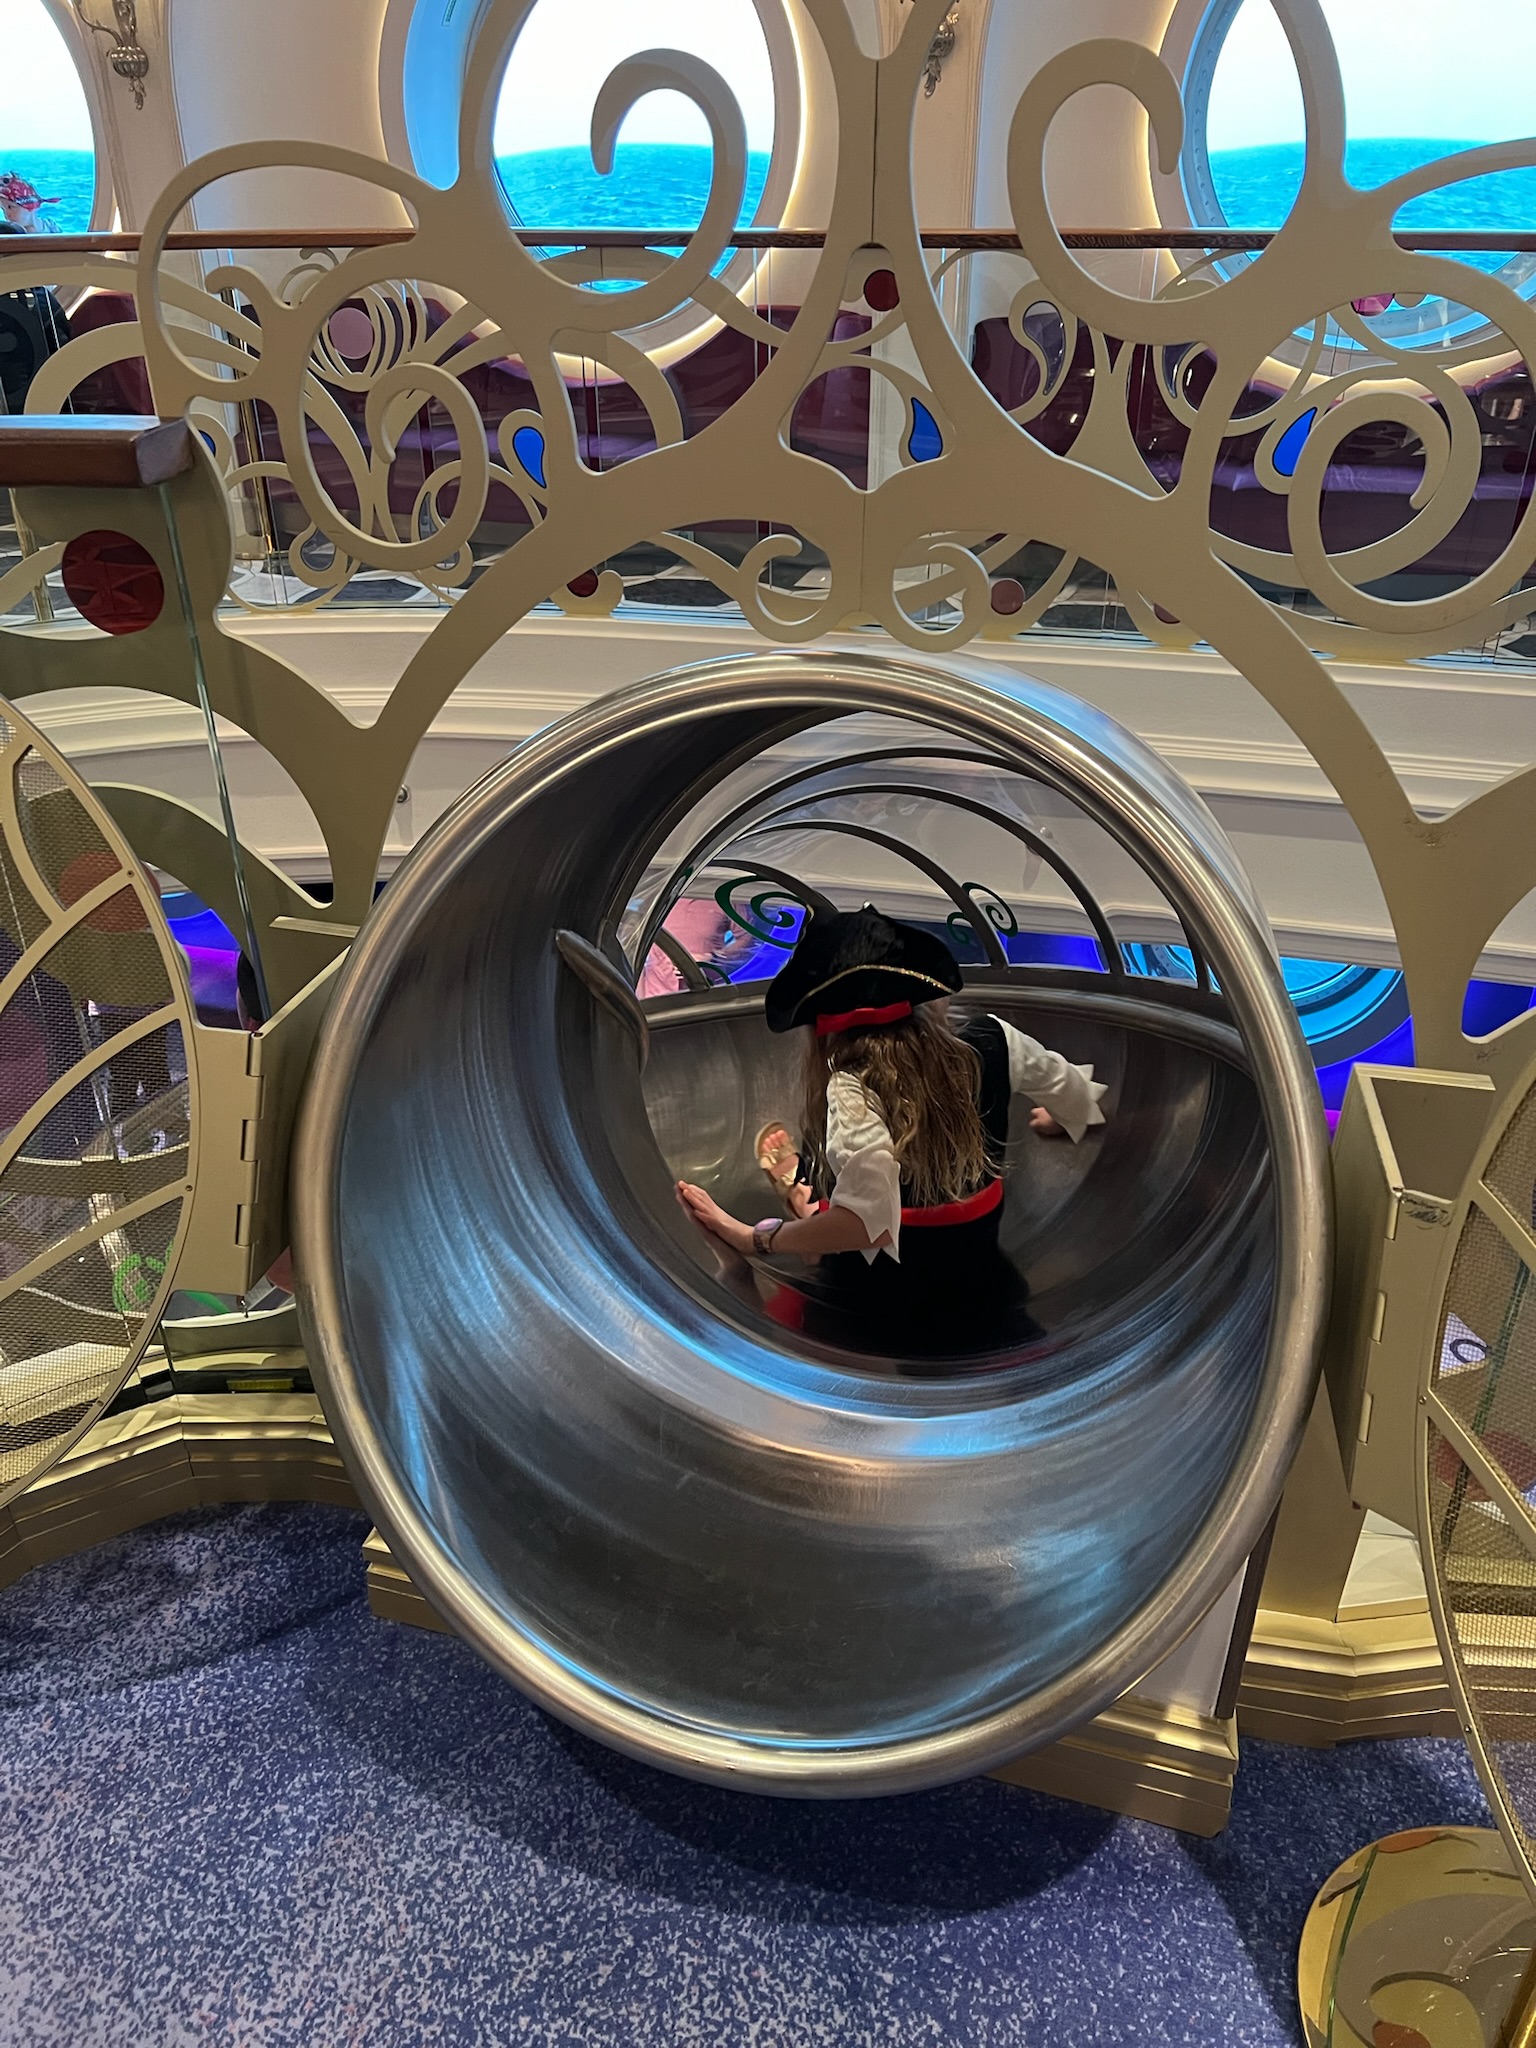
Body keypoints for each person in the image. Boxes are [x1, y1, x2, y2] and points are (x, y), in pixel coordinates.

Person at [676, 905, 1107, 1356]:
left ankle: (794, 1229)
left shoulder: (851, 1088)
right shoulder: (992, 1037)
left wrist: (756, 1239)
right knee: (862, 1192)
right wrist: (1063, 1118)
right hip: (976, 1273)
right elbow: (1074, 1091)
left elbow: (865, 1228)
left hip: (872, 1295)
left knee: (758, 1346)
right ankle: (814, 1211)